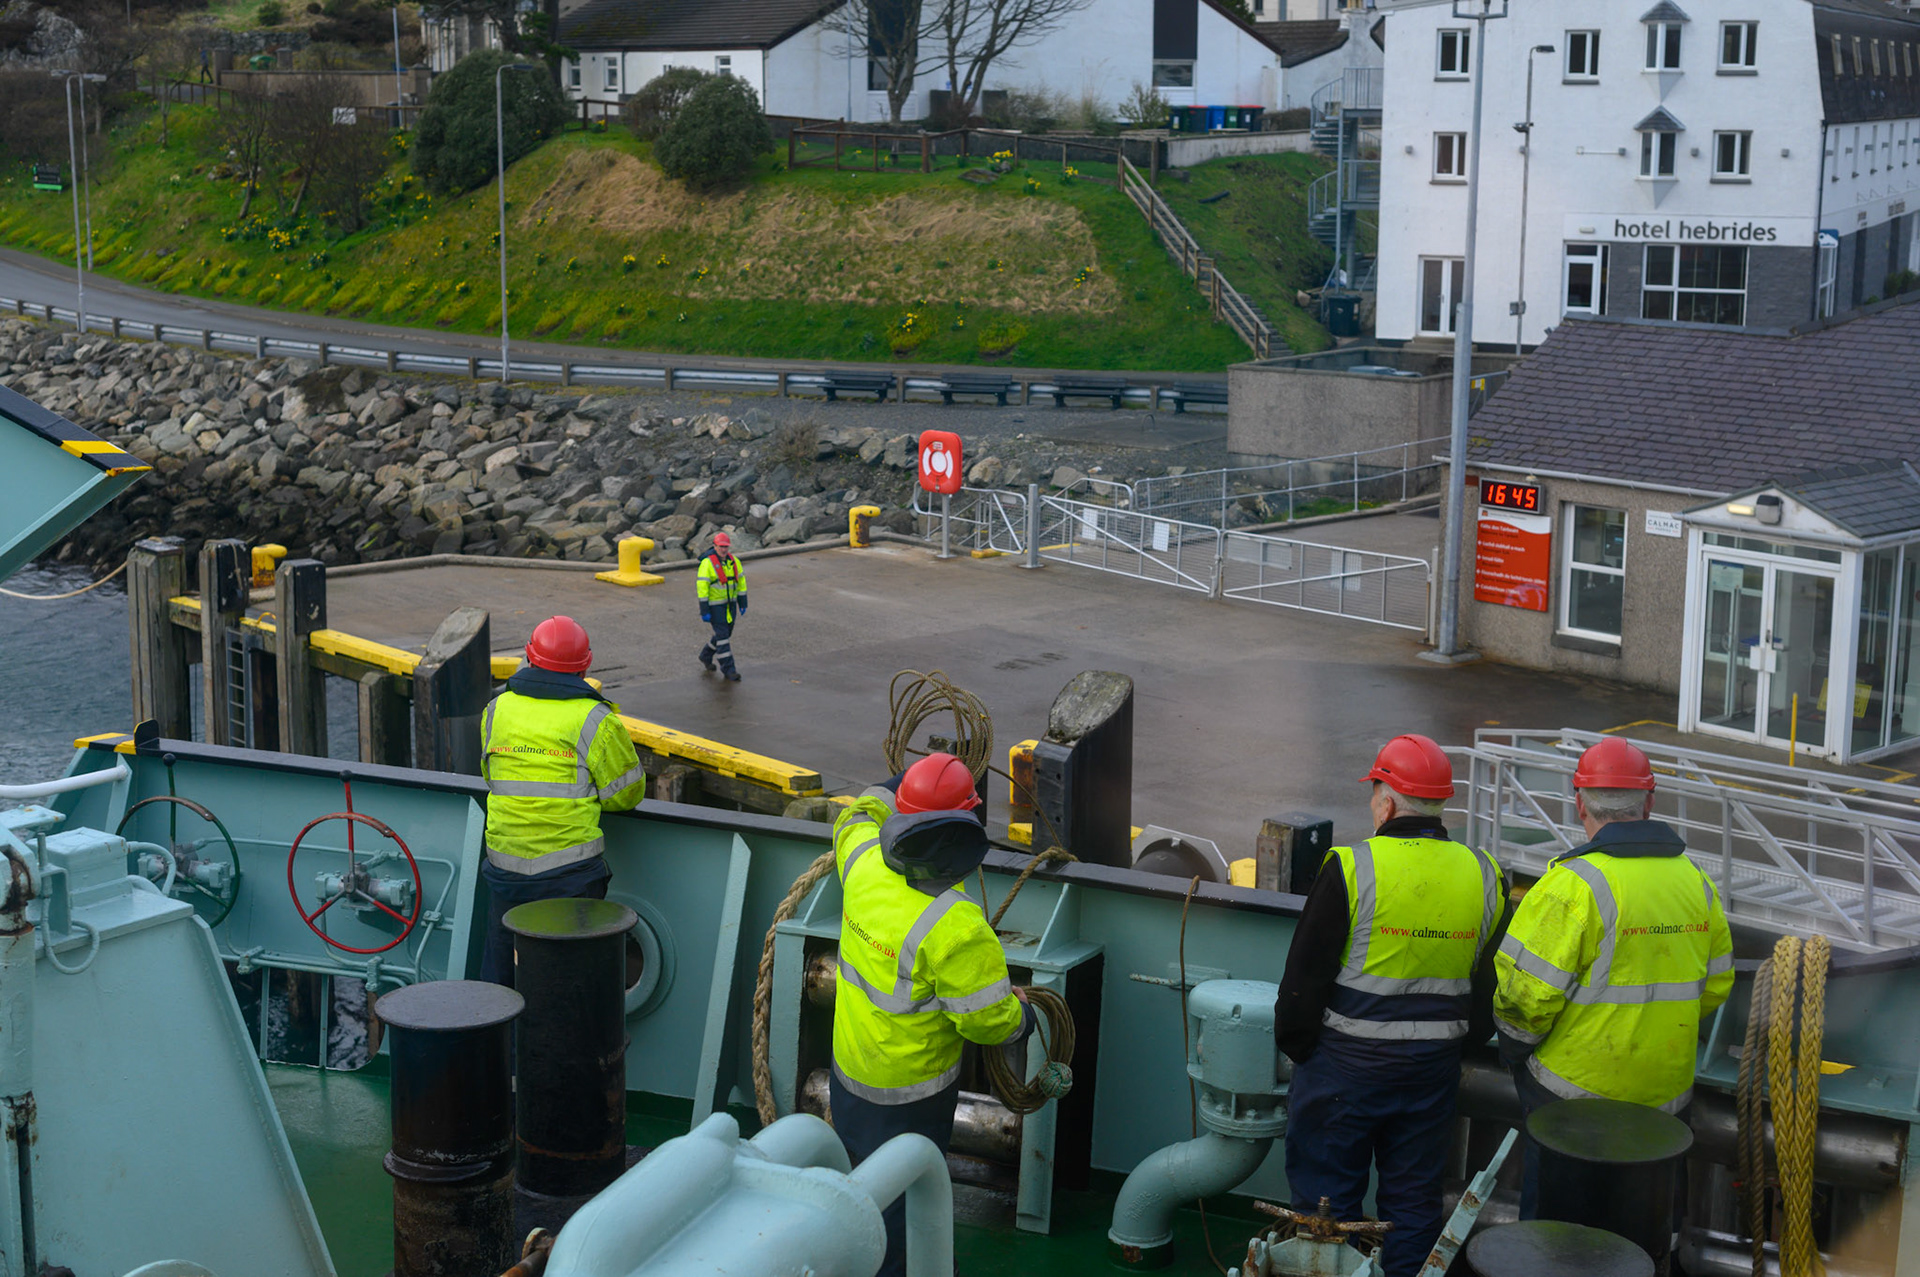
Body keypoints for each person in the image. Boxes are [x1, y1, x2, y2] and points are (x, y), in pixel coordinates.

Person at [1273, 734, 1507, 1277]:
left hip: (1344, 1067)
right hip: (1431, 1070)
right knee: (1413, 1202)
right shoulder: (1485, 873)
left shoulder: (1353, 866)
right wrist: (1456, 1044)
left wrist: (1300, 1049)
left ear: (1387, 801)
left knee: (1327, 1204)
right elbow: (1489, 980)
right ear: (1439, 804)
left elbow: (1304, 977)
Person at [1494, 736, 1733, 1217]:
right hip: (1662, 1108)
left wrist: (1517, 1053)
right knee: (1638, 1243)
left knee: (1556, 1247)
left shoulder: (1572, 885)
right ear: (1649, 803)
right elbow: (1714, 987)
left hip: (1570, 1105)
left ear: (1579, 803)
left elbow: (1525, 998)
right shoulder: (1697, 884)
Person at [830, 752, 1033, 1277]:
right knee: (906, 1189)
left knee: (864, 1177)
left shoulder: (861, 862)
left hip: (849, 1074)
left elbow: (855, 815)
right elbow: (989, 1021)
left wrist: (906, 783)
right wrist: (1025, 1018)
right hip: (912, 1096)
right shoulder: (957, 926)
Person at [477, 615, 648, 986]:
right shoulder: (595, 719)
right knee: (569, 987)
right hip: (569, 877)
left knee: (502, 980)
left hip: (504, 872)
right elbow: (626, 795)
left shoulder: (496, 710)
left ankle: (504, 1042)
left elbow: (491, 776)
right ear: (585, 665)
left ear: (528, 657)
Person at [697, 532, 747, 682]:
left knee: (724, 634)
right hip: (715, 607)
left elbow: (741, 583)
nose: (724, 550)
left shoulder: (735, 562)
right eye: (721, 547)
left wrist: (743, 602)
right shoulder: (707, 564)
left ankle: (705, 655)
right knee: (723, 638)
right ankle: (729, 670)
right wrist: (704, 610)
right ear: (715, 546)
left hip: (730, 605)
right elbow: (702, 588)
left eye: (726, 547)